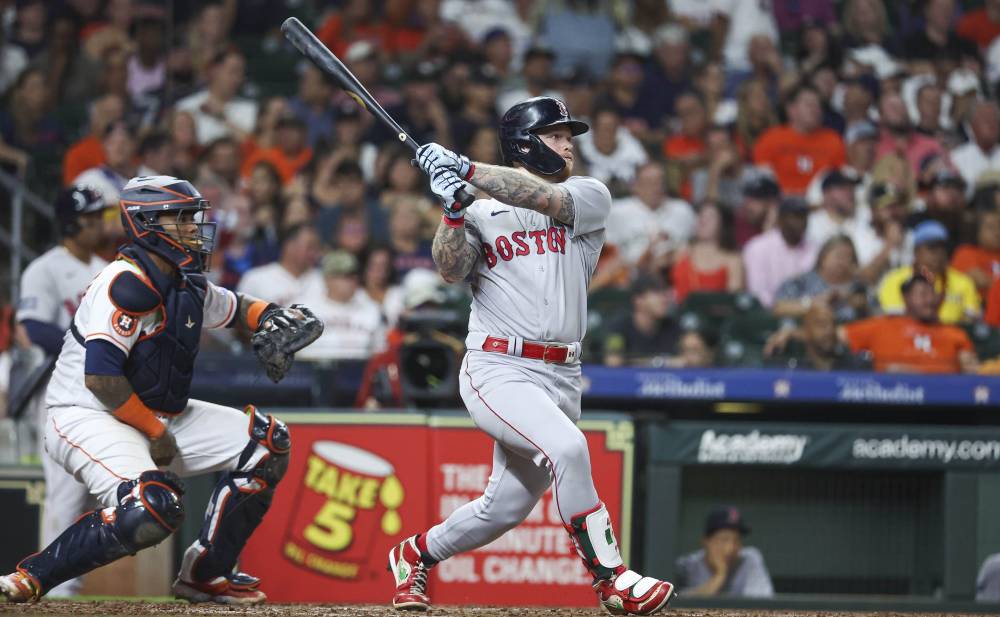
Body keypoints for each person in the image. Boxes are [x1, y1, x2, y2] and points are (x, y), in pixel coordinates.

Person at [395, 96, 676, 615]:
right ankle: (612, 579)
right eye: (557, 135)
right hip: (498, 366)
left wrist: (467, 168)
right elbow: (451, 269)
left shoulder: (589, 196)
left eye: (569, 135)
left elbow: (541, 198)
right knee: (568, 449)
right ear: (527, 142)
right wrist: (453, 210)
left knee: (502, 509)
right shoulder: (478, 210)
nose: (569, 143)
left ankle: (413, 554)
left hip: (562, 373)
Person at [0, 175, 321, 604]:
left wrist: (271, 316)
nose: (194, 227)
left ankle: (206, 574)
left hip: (151, 411)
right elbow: (101, 377)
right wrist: (154, 430)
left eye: (193, 217)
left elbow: (235, 307)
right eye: (182, 218)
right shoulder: (124, 283)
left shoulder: (184, 280)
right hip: (87, 413)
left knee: (267, 443)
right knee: (150, 509)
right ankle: (32, 577)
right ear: (147, 223)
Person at [14, 187, 109, 597]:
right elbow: (33, 327)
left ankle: (66, 582)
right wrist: (96, 342)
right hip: (59, 391)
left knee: (98, 492)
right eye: (91, 218)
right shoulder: (45, 269)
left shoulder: (109, 267)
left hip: (105, 392)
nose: (99, 225)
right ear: (70, 223)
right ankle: (55, 590)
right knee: (65, 490)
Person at [844, 273, 978, 373]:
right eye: (923, 294)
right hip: (891, 398)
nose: (930, 300)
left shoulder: (953, 333)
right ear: (906, 298)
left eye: (933, 294)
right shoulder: (882, 326)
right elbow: (837, 336)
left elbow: (972, 370)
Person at [878, 220, 980, 325]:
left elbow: (972, 321)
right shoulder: (895, 280)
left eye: (942, 248)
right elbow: (893, 319)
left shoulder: (963, 282)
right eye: (932, 248)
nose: (939, 254)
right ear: (916, 251)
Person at [752, 84, 846, 195]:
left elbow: (840, 180)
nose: (815, 109)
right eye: (809, 104)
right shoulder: (770, 139)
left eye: (818, 105)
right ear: (791, 109)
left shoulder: (833, 140)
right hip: (780, 203)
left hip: (821, 205)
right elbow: (762, 178)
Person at [605, 162, 696, 270]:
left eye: (659, 182)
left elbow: (698, 247)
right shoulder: (617, 212)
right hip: (632, 276)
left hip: (676, 272)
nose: (656, 187)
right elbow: (606, 253)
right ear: (635, 186)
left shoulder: (683, 210)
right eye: (649, 182)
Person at [298, 251, 386, 361]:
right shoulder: (303, 310)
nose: (351, 281)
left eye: (353, 275)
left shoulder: (372, 310)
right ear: (327, 279)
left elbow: (380, 353)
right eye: (344, 276)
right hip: (312, 373)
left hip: (356, 373)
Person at [674, 506, 774, 598]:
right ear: (706, 542)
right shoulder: (688, 565)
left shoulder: (749, 559)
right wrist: (719, 576)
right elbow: (676, 604)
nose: (730, 548)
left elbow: (761, 604)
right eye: (723, 539)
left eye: (737, 540)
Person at [773, 235, 868, 322]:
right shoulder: (801, 281)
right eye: (839, 256)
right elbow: (778, 307)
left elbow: (876, 315)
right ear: (823, 258)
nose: (843, 262)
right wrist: (814, 303)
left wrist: (857, 303)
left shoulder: (859, 287)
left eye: (849, 258)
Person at [743, 197, 819, 307]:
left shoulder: (815, 248)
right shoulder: (758, 247)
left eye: (804, 216)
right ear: (780, 219)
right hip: (767, 316)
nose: (800, 222)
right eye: (795, 216)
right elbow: (758, 293)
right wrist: (787, 307)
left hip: (806, 313)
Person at [671, 201, 743, 303]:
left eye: (710, 217)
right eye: (700, 215)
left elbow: (734, 299)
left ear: (723, 224)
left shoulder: (732, 259)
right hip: (681, 315)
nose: (702, 220)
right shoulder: (681, 252)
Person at [237, 223, 324, 308]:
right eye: (310, 247)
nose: (315, 253)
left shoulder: (324, 280)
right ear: (289, 246)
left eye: (317, 248)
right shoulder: (255, 278)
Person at [603, 276, 680, 367]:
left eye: (664, 294)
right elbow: (613, 362)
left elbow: (690, 359)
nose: (664, 300)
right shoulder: (619, 328)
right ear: (638, 300)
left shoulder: (672, 327)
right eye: (657, 294)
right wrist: (660, 362)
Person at [765, 303, 867, 371]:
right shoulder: (791, 370)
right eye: (821, 325)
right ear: (805, 331)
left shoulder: (853, 368)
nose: (829, 331)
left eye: (833, 324)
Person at [951, 206, 1000, 299]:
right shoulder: (965, 252)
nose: (998, 232)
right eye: (991, 227)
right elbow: (980, 281)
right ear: (978, 230)